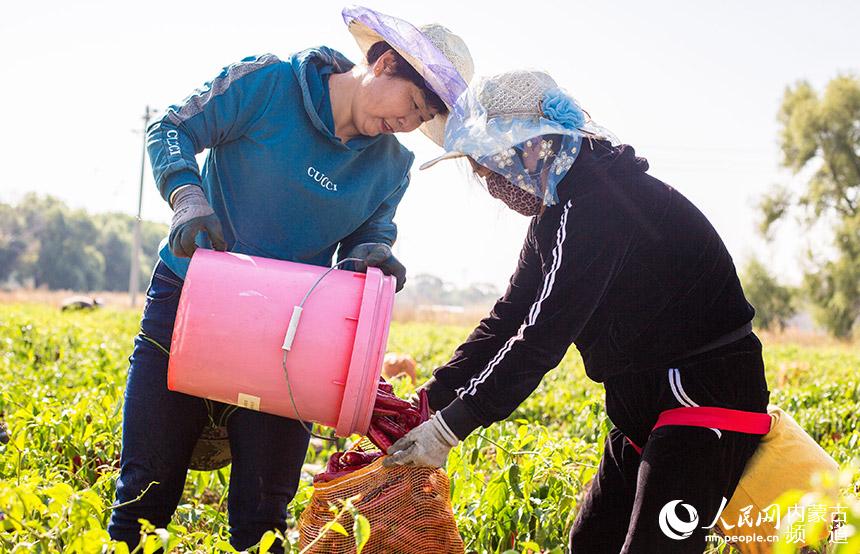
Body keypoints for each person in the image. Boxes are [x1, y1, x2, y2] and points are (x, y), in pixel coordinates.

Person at [107, 6, 473, 552]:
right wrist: (186, 195)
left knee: (263, 515)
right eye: (413, 104)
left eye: (423, 119)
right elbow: (172, 128)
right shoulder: (269, 84)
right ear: (386, 61)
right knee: (144, 494)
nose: (410, 124)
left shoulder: (391, 167)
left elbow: (369, 237)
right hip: (189, 302)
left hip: (291, 336)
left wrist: (373, 257)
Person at [385, 70, 771, 553]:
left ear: (531, 148)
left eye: (489, 168)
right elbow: (509, 317)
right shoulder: (560, 209)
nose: (490, 184)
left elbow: (542, 337)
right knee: (590, 542)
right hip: (644, 406)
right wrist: (428, 400)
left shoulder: (599, 205)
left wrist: (450, 428)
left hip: (702, 401)